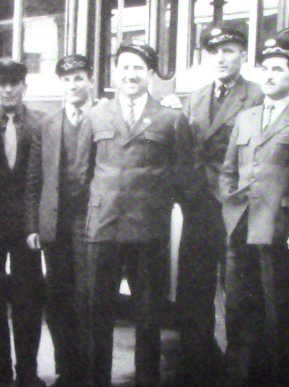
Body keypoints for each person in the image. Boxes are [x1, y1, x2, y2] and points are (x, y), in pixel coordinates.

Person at [74, 41, 197, 387]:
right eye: (125, 67)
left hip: (148, 232)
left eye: (138, 69)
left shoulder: (171, 119)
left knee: (148, 317)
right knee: (98, 316)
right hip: (103, 230)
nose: (131, 75)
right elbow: (82, 176)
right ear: (115, 72)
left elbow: (182, 176)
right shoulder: (95, 115)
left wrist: (157, 205)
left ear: (151, 74)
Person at [219, 28, 289, 386]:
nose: (269, 75)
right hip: (241, 228)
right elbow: (228, 169)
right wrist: (229, 205)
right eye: (265, 68)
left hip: (281, 229)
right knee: (237, 311)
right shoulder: (247, 117)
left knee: (282, 316)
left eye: (278, 69)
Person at [177, 26, 263, 384]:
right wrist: (188, 192)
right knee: (193, 285)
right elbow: (184, 150)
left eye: (229, 50)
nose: (221, 58)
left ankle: (238, 368)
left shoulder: (256, 95)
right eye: (214, 52)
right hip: (198, 204)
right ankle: (199, 364)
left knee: (238, 288)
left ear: (243, 54)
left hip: (235, 205)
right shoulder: (195, 97)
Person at [24, 55, 94, 387]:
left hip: (92, 222)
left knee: (87, 296)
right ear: (60, 84)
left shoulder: (103, 117)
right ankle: (67, 369)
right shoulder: (47, 124)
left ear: (89, 80)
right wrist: (33, 225)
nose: (73, 85)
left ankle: (88, 371)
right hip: (55, 224)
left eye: (79, 77)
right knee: (58, 297)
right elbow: (34, 178)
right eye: (67, 79)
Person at [0, 57, 46, 387]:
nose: (8, 90)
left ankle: (27, 372)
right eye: (1, 84)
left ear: (24, 86)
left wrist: (35, 223)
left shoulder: (39, 124)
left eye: (14, 83)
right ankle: (0, 370)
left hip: (26, 226)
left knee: (28, 300)